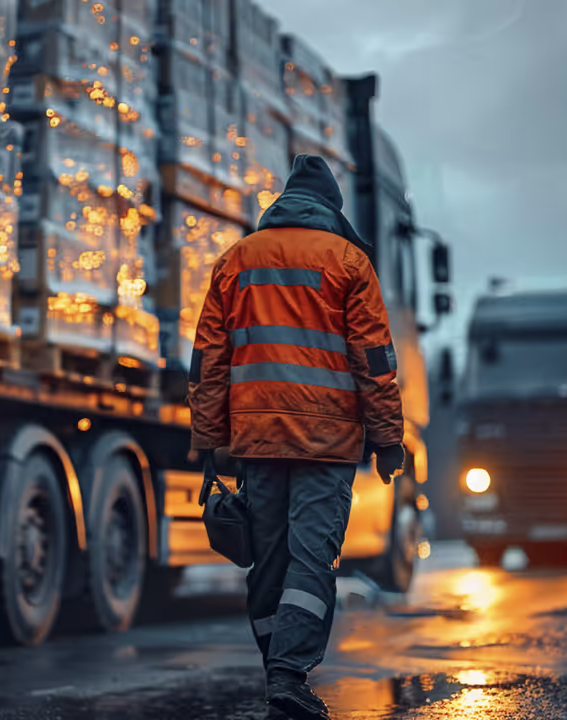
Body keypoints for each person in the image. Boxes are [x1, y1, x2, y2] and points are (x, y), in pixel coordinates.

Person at [188, 155, 406, 720]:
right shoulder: (349, 261)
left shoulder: (236, 260)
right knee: (312, 560)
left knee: (268, 562)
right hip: (324, 441)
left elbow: (208, 360)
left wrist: (210, 441)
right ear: (330, 208)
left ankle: (276, 670)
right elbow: (376, 363)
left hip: (256, 438)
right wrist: (387, 441)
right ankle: (288, 673)